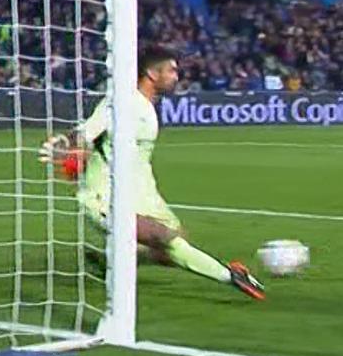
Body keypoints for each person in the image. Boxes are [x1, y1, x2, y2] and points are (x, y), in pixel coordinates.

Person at [38, 47, 266, 300]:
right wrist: (64, 144)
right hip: (106, 195)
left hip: (143, 193)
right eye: (171, 70)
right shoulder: (122, 102)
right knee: (163, 237)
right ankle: (231, 276)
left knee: (171, 247)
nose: (176, 76)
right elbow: (84, 133)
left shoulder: (146, 106)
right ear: (151, 73)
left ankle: (114, 260)